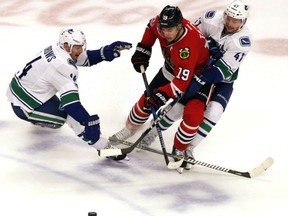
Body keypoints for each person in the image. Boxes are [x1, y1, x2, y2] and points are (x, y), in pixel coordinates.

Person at [137, 0, 252, 171]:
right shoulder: (210, 18)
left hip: (221, 79)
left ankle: (187, 149)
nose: (230, 22)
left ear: (243, 22)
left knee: (214, 113)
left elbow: (222, 70)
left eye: (236, 21)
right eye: (228, 17)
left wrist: (201, 78)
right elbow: (190, 39)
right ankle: (152, 134)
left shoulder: (242, 42)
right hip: (199, 71)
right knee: (179, 108)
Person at [110, 5, 213, 171]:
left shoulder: (188, 45)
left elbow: (181, 83)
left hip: (198, 79)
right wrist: (144, 48)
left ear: (180, 26)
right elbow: (151, 28)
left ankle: (179, 149)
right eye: (163, 29)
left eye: (170, 30)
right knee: (146, 102)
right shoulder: (160, 24)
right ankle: (129, 130)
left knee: (193, 115)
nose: (165, 34)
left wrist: (161, 96)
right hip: (171, 71)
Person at [6, 26, 132, 150]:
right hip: (23, 106)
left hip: (21, 89)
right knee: (65, 116)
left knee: (67, 113)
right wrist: (87, 121)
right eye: (78, 47)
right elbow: (71, 105)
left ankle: (41, 116)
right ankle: (102, 147)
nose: (81, 50)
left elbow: (84, 58)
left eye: (81, 46)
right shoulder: (62, 66)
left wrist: (104, 53)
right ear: (66, 46)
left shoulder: (58, 49)